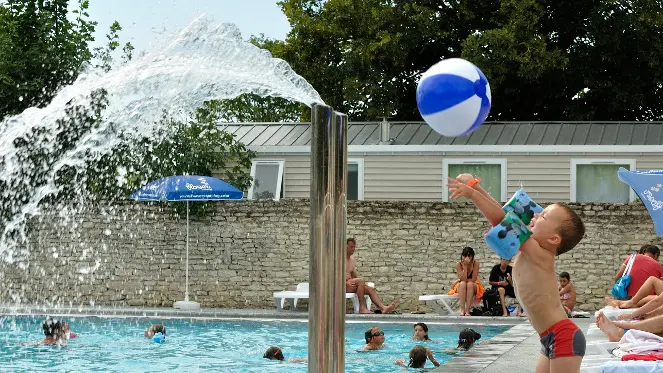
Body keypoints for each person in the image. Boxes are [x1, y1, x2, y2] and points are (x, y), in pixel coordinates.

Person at [447, 173, 586, 373]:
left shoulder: (542, 255)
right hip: (548, 337)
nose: (536, 214)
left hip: (562, 335)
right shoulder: (531, 249)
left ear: (554, 239)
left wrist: (473, 195)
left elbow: (502, 222)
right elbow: (503, 215)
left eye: (543, 216)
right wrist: (476, 187)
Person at [345, 237, 397, 314]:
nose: (353, 249)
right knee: (360, 281)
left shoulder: (352, 259)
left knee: (370, 289)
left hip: (350, 284)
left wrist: (362, 285)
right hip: (341, 285)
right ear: (345, 246)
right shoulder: (339, 258)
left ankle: (383, 308)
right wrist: (345, 283)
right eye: (351, 247)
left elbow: (353, 274)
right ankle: (362, 308)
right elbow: (333, 275)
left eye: (354, 247)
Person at [448, 246, 485, 316]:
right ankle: (462, 309)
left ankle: (468, 310)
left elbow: (474, 279)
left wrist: (465, 280)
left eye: (469, 255)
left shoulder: (476, 263)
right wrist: (465, 268)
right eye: (465, 255)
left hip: (473, 284)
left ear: (472, 256)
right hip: (462, 285)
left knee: (470, 284)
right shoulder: (459, 264)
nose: (467, 258)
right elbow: (462, 279)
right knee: (463, 284)